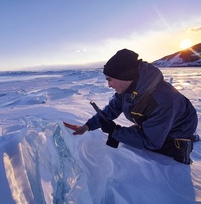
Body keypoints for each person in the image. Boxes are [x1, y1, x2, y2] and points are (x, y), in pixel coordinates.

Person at [63, 49, 198, 165]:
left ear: (124, 76)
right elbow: (111, 110)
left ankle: (183, 145)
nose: (109, 85)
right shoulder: (127, 90)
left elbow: (151, 141)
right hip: (154, 123)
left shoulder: (162, 100)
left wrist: (115, 131)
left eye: (110, 79)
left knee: (141, 142)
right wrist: (86, 126)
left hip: (178, 128)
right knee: (127, 136)